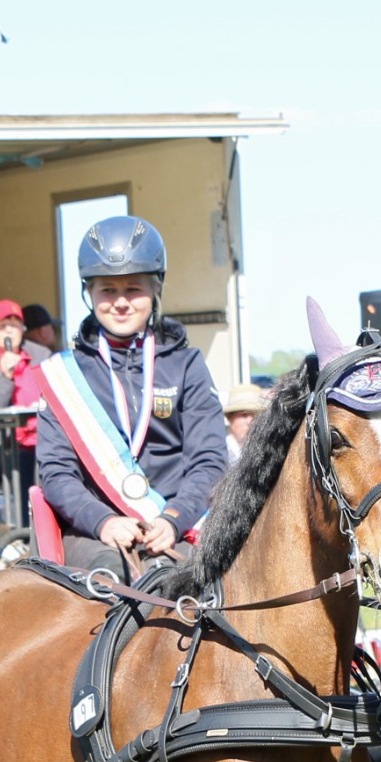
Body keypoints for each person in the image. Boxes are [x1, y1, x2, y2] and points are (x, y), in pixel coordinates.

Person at [33, 215, 228, 578]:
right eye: (107, 290)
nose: (120, 302)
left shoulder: (188, 365)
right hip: (92, 533)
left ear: (155, 290)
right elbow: (58, 474)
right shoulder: (65, 376)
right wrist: (102, 521)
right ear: (88, 293)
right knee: (107, 576)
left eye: (133, 289)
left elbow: (209, 460)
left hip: (175, 524)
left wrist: (173, 518)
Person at [0, 298, 50, 518]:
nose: (10, 331)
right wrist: (5, 377)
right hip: (7, 448)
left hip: (46, 440)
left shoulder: (42, 357)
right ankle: (26, 536)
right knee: (24, 465)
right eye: (3, 326)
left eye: (15, 326)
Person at [222, 382, 267, 467]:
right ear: (229, 417)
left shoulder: (266, 453)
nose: (250, 421)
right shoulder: (220, 453)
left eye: (255, 415)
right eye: (243, 415)